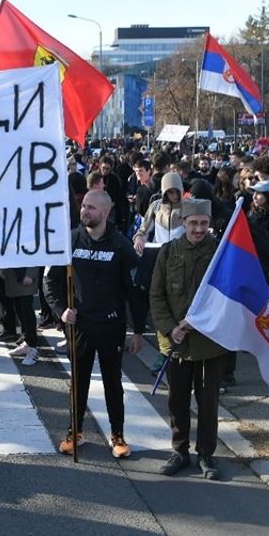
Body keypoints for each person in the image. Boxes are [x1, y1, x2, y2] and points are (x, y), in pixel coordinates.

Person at [44, 190, 145, 459]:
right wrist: (61, 311)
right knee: (78, 382)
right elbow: (50, 281)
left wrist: (137, 330)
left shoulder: (121, 245)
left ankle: (117, 435)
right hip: (80, 326)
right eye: (83, 206)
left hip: (111, 326)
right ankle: (74, 431)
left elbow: (134, 290)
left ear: (105, 212)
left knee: (113, 383)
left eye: (90, 207)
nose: (84, 211)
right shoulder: (70, 240)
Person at [148, 197, 227, 480]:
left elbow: (227, 300)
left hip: (209, 344)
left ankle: (207, 454)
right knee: (177, 401)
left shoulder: (220, 254)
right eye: (193, 223)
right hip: (177, 344)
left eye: (204, 223)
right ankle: (180, 451)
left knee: (208, 402)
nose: (198, 229)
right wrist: (170, 328)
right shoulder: (169, 252)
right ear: (183, 223)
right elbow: (156, 296)